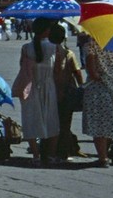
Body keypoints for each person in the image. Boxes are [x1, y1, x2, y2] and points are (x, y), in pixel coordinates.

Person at [14, 17, 59, 166]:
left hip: (30, 87)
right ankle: (51, 155)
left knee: (31, 120)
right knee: (51, 120)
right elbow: (58, 70)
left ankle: (36, 155)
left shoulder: (26, 47)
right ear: (47, 30)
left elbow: (23, 67)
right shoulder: (54, 46)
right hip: (48, 86)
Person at [81, 32, 113, 167]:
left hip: (98, 89)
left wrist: (99, 76)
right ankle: (106, 153)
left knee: (98, 125)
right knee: (111, 123)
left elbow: (91, 71)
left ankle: (103, 157)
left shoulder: (91, 46)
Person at [49, 24, 85, 160]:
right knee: (64, 124)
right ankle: (63, 152)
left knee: (50, 122)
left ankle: (49, 149)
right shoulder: (69, 54)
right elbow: (77, 73)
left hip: (50, 91)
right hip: (66, 92)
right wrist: (82, 87)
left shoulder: (46, 54)